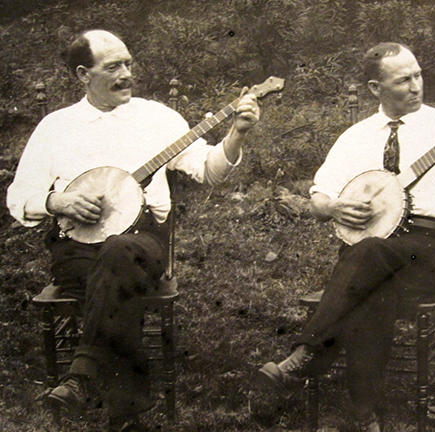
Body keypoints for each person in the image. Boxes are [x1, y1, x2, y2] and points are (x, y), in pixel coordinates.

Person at [257, 42, 435, 431]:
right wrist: (334, 208)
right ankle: (366, 415)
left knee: (367, 257)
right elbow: (318, 198)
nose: (416, 86)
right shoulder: (355, 137)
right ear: (374, 88)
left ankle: (304, 357)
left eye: (418, 75)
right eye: (403, 80)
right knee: (371, 290)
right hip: (371, 254)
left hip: (426, 251)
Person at [7, 30, 260, 431]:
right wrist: (57, 202)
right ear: (82, 74)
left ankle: (81, 374)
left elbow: (207, 171)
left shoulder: (155, 117)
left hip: (142, 244)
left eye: (128, 63)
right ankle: (126, 416)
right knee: (114, 279)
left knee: (120, 252)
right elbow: (19, 195)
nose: (126, 74)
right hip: (76, 250)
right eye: (113, 67)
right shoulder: (56, 127)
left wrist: (237, 133)